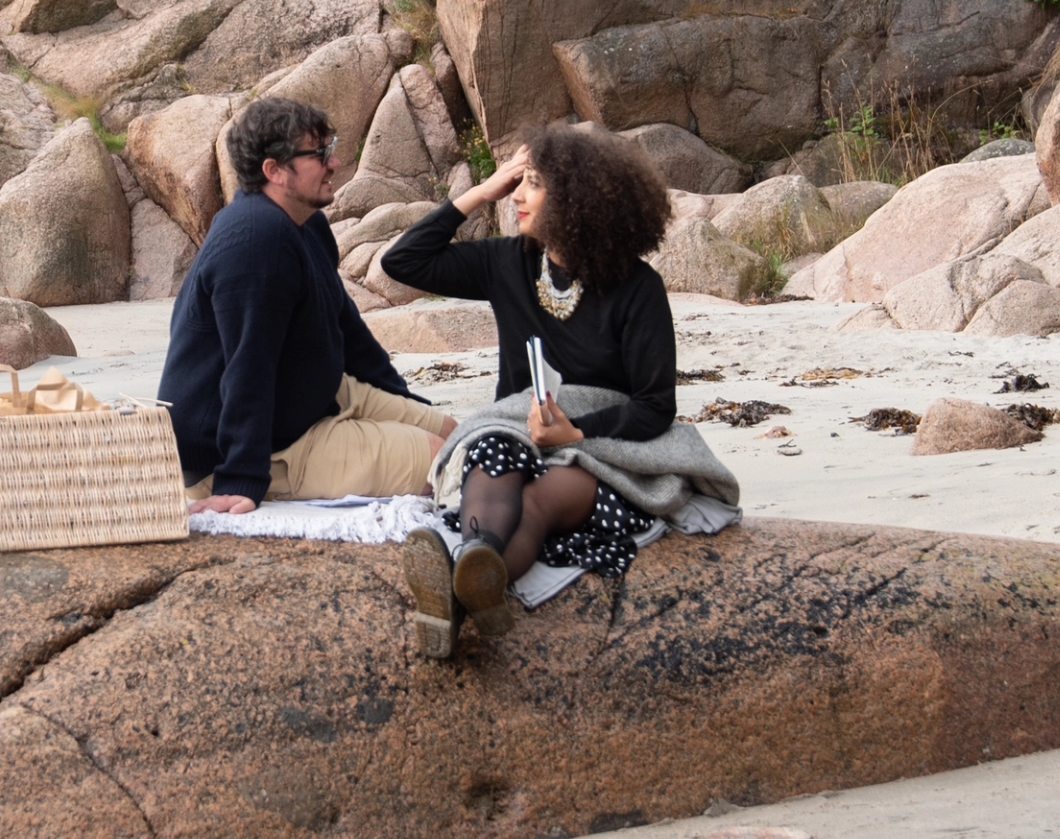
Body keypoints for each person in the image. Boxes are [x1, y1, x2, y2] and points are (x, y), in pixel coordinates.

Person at [376, 123, 678, 637]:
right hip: (517, 432)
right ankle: (475, 570)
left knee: (536, 499)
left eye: (531, 183)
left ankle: (457, 592)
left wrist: (574, 432)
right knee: (494, 452)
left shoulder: (637, 289)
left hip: (597, 450)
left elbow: (655, 405)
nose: (515, 194)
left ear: (575, 199)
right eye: (517, 182)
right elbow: (403, 261)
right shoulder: (509, 263)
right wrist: (483, 189)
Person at [160, 94, 455, 511]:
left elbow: (347, 328)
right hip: (244, 449)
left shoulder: (306, 223)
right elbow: (248, 365)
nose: (333, 162)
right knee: (447, 461)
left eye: (329, 148)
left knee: (457, 435)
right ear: (275, 171)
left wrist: (401, 402)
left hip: (312, 396)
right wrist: (240, 479)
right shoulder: (254, 242)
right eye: (320, 154)